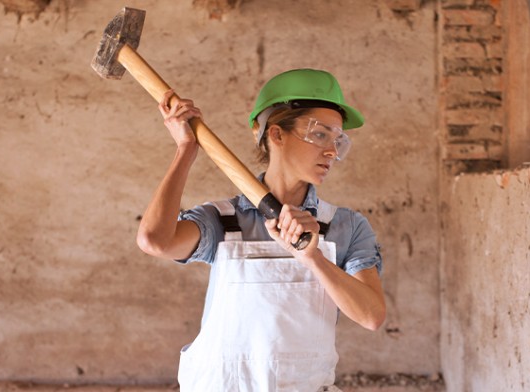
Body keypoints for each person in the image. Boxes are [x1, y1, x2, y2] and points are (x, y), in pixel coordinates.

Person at [136, 68, 386, 391]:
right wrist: (185, 150)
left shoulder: (345, 227)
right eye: (321, 134)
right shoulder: (224, 221)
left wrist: (313, 259)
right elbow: (154, 240)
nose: (332, 152)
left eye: (338, 140)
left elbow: (372, 316)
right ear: (276, 134)